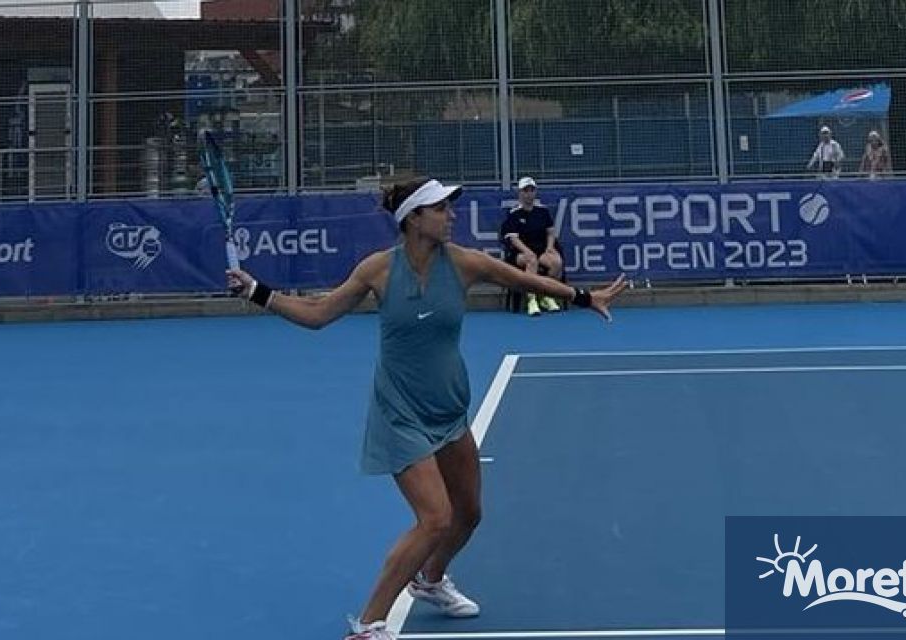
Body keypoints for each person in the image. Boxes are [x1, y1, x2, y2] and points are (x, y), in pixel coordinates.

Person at [226, 178, 628, 640]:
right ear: (414, 218)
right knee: (436, 517)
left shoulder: (465, 263)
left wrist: (584, 298)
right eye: (441, 209)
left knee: (468, 513)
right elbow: (318, 314)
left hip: (449, 411)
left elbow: (524, 279)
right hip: (400, 414)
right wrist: (258, 291)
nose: (451, 215)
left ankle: (430, 581)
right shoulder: (377, 270)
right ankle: (369, 625)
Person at [499, 177, 564, 316]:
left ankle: (546, 295)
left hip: (541, 250)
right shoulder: (514, 214)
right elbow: (513, 239)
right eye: (525, 191)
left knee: (556, 262)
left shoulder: (543, 211)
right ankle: (532, 299)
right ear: (520, 193)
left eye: (532, 190)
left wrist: (550, 248)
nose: (529, 194)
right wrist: (527, 251)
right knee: (531, 260)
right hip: (519, 253)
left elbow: (551, 232)